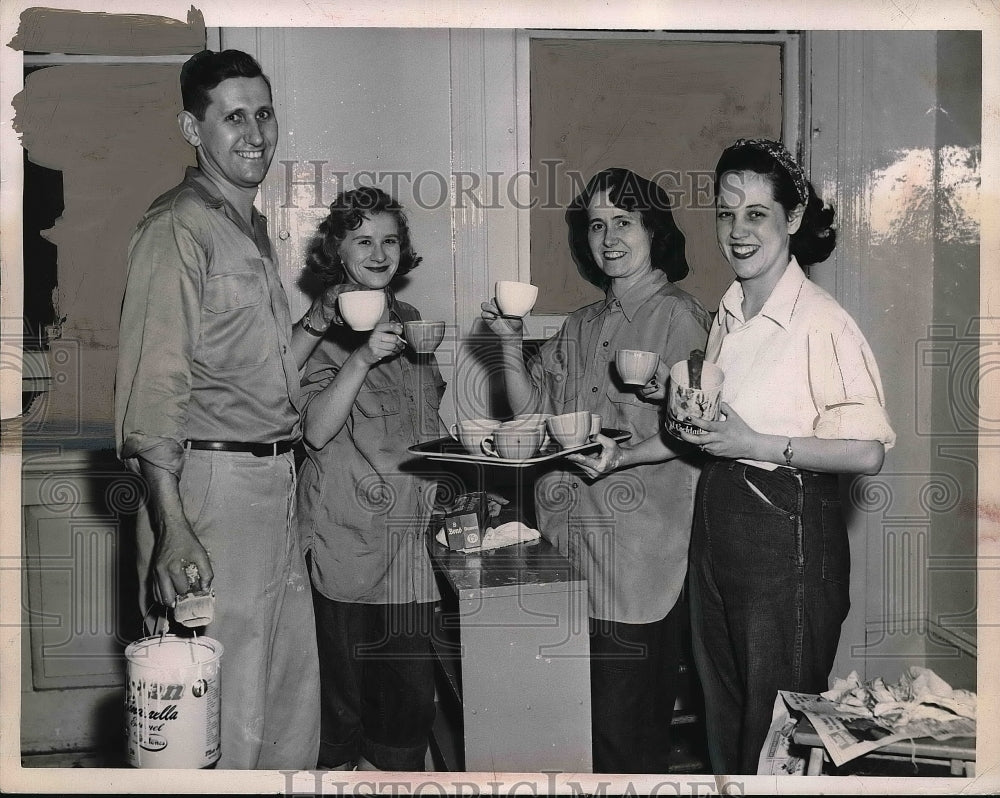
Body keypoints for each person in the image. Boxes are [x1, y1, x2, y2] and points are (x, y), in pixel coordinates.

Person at [578, 139, 896, 774]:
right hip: (719, 529)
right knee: (723, 721)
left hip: (790, 544)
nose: (739, 230)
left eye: (756, 213)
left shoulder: (822, 322)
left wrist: (756, 445)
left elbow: (867, 451)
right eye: (727, 214)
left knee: (776, 737)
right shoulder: (729, 310)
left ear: (793, 218)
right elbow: (717, 420)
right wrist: (671, 399)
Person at [115, 49, 340, 770]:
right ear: (192, 127)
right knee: (215, 714)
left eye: (264, 113)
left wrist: (317, 322)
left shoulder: (244, 225)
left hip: (275, 488)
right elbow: (154, 394)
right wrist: (173, 527)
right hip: (210, 492)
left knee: (283, 700)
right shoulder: (177, 227)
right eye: (233, 116)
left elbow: (254, 375)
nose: (255, 132)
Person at [480, 168, 711, 774]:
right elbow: (530, 412)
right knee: (573, 732)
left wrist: (629, 453)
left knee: (624, 742)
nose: (607, 238)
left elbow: (696, 432)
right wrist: (508, 341)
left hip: (638, 567)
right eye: (596, 225)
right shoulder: (581, 324)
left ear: (653, 231)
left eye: (624, 223)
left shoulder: (678, 318)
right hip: (568, 551)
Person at [296, 186, 445, 772]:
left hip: (409, 550)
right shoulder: (320, 327)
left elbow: (425, 425)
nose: (379, 252)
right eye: (363, 240)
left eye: (390, 240)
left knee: (408, 711)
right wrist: (360, 358)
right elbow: (314, 431)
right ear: (338, 250)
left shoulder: (411, 322)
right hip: (344, 545)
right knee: (341, 713)